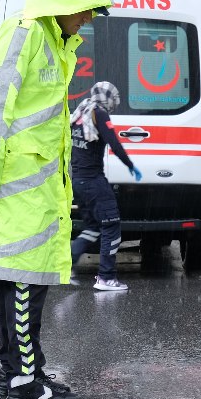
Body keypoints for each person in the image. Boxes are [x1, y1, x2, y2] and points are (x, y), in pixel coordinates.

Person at [0, 0, 113, 399]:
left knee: (17, 279)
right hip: (15, 186)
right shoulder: (26, 34)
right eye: (84, 10)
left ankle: (19, 372)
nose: (87, 20)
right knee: (25, 280)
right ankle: (25, 381)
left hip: (34, 185)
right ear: (63, 5)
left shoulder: (53, 41)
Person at [69, 81, 142, 291]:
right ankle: (106, 277)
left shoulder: (81, 111)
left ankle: (68, 266)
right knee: (111, 225)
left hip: (79, 182)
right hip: (93, 181)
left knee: (93, 227)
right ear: (108, 98)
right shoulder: (99, 114)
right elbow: (114, 142)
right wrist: (130, 165)